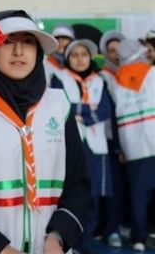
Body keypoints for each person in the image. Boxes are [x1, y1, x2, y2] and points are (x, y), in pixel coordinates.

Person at [0, 10, 90, 254]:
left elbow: (78, 182)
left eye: (27, 42)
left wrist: (56, 239)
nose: (18, 52)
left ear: (37, 51)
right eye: (7, 41)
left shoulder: (59, 105)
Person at [52, 39, 113, 254]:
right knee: (72, 196)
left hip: (95, 146)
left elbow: (105, 109)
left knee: (94, 196)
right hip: (71, 145)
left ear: (90, 57)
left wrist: (81, 113)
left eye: (83, 54)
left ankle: (85, 243)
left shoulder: (99, 80)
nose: (79, 59)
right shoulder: (59, 77)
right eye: (74, 54)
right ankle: (71, 244)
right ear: (67, 58)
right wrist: (88, 108)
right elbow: (61, 105)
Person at [111, 39, 155, 252]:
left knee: (139, 194)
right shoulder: (153, 74)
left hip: (133, 147)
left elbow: (113, 118)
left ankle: (139, 236)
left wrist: (120, 148)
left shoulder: (116, 82)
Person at [98, 30, 126, 248]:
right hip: (110, 141)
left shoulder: (135, 75)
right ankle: (111, 228)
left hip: (135, 141)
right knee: (111, 187)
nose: (116, 55)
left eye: (119, 50)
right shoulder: (103, 77)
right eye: (111, 51)